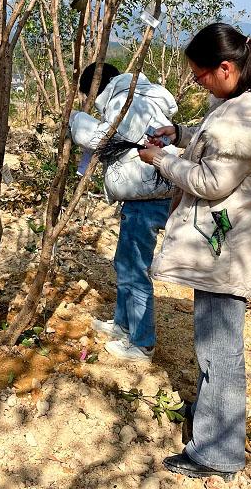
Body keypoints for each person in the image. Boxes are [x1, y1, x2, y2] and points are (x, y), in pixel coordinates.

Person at [137, 23, 251, 480]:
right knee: (217, 339)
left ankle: (217, 450)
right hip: (241, 239)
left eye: (201, 75)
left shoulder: (240, 123)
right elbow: (219, 142)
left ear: (226, 68)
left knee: (218, 347)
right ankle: (213, 410)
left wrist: (162, 159)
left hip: (224, 246)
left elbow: (212, 181)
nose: (197, 82)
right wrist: (183, 132)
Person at [69, 62, 178, 362]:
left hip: (146, 196)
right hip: (154, 190)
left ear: (98, 87)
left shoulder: (125, 100)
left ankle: (142, 343)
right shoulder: (146, 94)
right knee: (125, 262)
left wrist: (76, 119)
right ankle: (122, 324)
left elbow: (97, 139)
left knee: (133, 267)